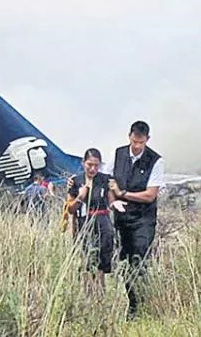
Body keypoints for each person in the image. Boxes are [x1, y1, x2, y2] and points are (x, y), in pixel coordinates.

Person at [107, 121, 165, 317]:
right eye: (134, 141)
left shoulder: (155, 161)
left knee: (138, 261)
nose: (137, 146)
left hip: (143, 219)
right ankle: (128, 302)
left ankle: (138, 307)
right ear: (129, 137)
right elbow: (109, 182)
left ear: (147, 140)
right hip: (121, 217)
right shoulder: (118, 154)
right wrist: (114, 201)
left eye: (141, 142)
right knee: (123, 260)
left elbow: (150, 195)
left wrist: (124, 194)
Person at [67, 148, 124, 291]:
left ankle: (100, 291)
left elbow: (110, 200)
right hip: (83, 221)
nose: (93, 169)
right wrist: (80, 197)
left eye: (96, 165)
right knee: (86, 257)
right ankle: (87, 292)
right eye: (89, 165)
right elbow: (70, 208)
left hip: (102, 220)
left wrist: (115, 203)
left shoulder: (105, 179)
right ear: (83, 163)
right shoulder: (75, 181)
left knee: (102, 258)